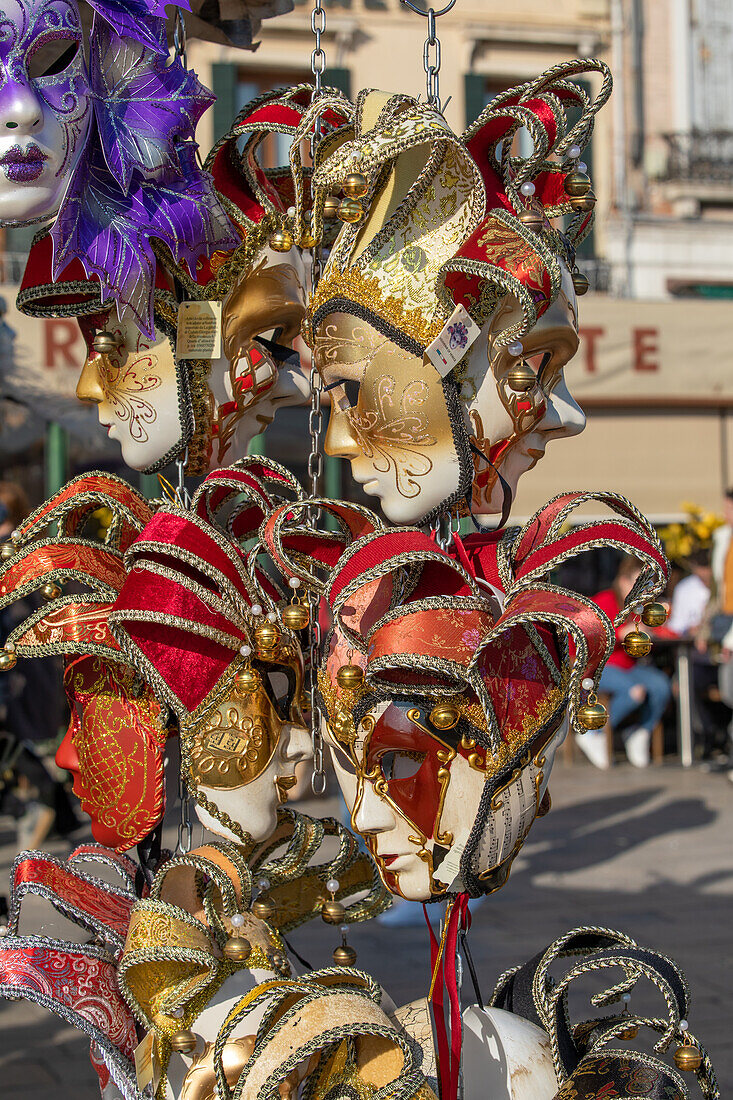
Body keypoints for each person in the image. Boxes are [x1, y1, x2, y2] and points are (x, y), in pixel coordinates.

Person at [577, 556, 672, 769]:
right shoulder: (605, 600)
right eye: (637, 582)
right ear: (622, 580)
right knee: (634, 692)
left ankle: (640, 731)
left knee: (661, 686)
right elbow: (590, 634)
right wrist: (621, 632)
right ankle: (592, 732)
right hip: (601, 666)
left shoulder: (638, 607)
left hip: (629, 666)